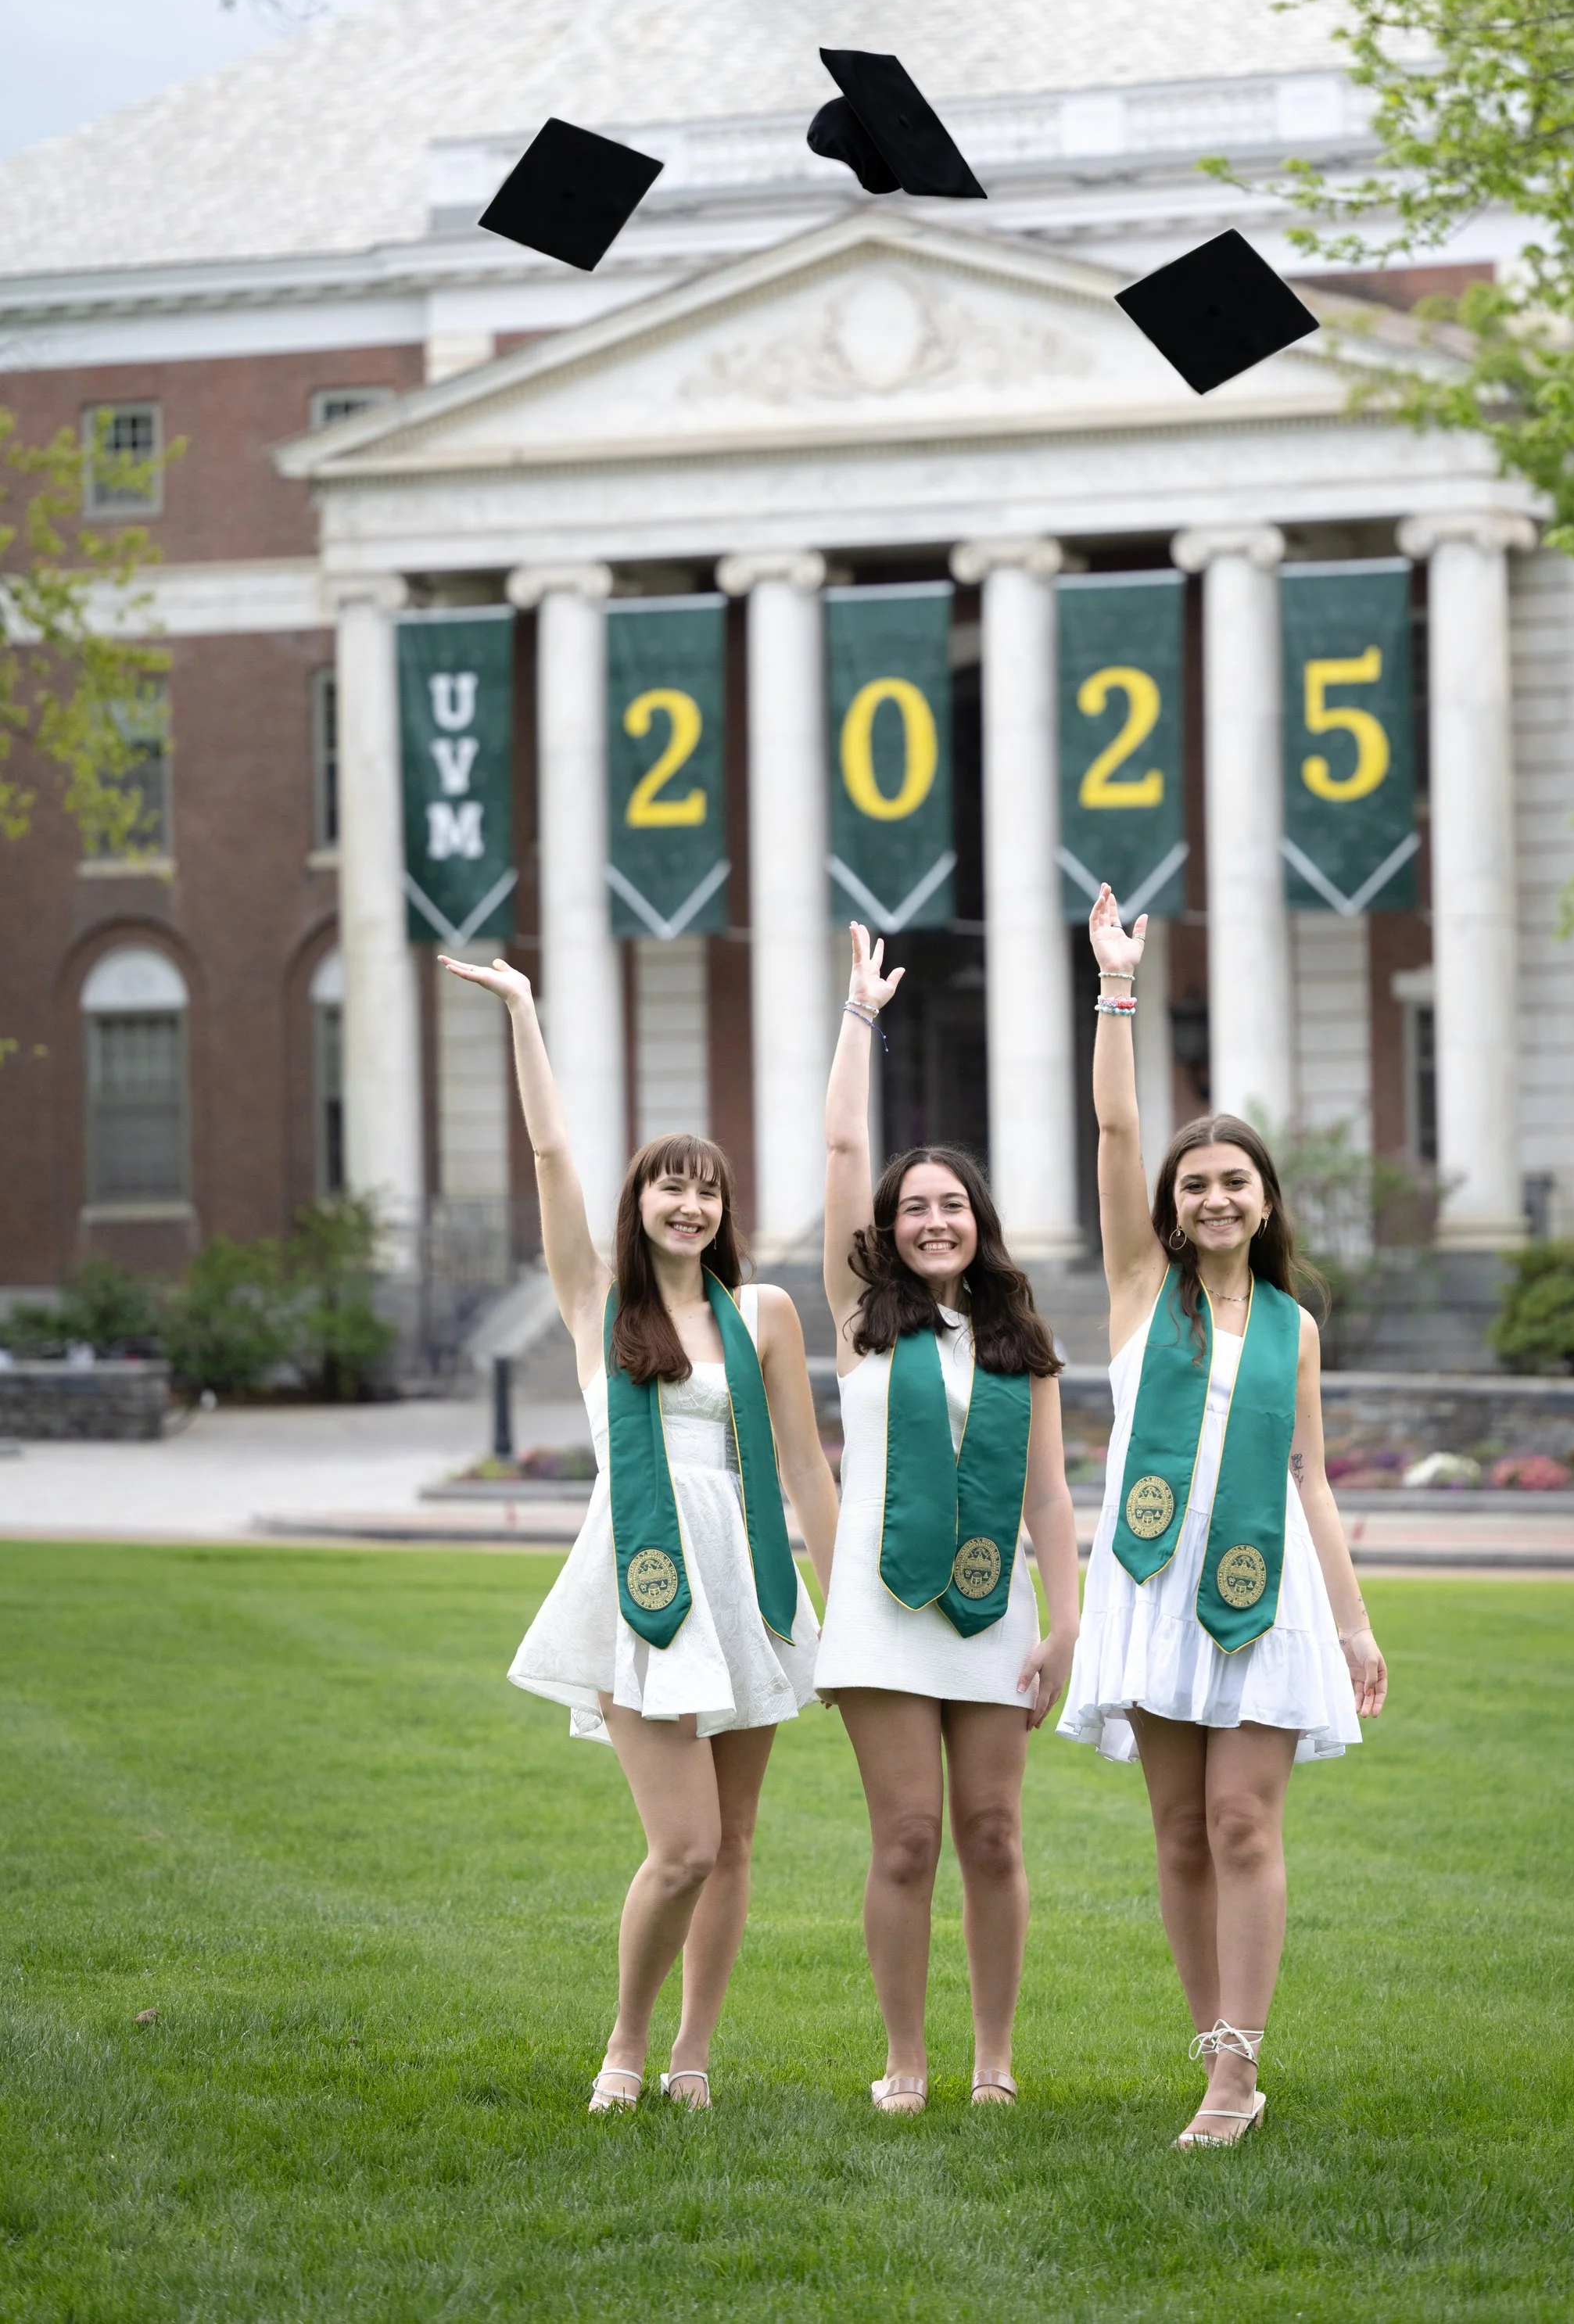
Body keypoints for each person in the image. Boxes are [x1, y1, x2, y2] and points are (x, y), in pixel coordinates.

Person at [440, 952, 837, 2117]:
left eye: (707, 1190)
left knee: (737, 1840)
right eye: (671, 1186)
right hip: (641, 1584)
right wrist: (525, 1011)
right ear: (641, 1200)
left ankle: (693, 2056)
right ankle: (626, 2040)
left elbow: (804, 1464)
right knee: (685, 1846)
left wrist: (848, 1601)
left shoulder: (762, 1313)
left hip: (746, 1586)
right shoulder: (596, 1304)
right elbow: (551, 1155)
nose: (690, 1205)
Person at [1058, 888, 1389, 2148]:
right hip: (1154, 1578)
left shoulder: (1295, 1329)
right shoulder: (1141, 1290)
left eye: (1233, 1181)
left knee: (1243, 1820)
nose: (1212, 1197)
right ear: (1173, 1203)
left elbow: (1312, 1478)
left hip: (1262, 1581)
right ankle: (1214, 2053)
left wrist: (1354, 1627)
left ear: (1264, 1199)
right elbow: (1113, 1123)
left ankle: (1239, 2067)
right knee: (1179, 1831)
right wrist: (1116, 988)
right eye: (1194, 1182)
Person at [816, 924, 1078, 2115]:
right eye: (914, 1206)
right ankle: (906, 2062)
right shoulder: (860, 1316)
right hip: (881, 1610)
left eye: (952, 1205)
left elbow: (1051, 1496)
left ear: (980, 1220)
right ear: (888, 1225)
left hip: (992, 1609)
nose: (933, 1220)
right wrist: (859, 1018)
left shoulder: (1021, 1339)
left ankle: (994, 2062)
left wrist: (1064, 1623)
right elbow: (839, 1146)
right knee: (908, 1839)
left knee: (993, 1834)